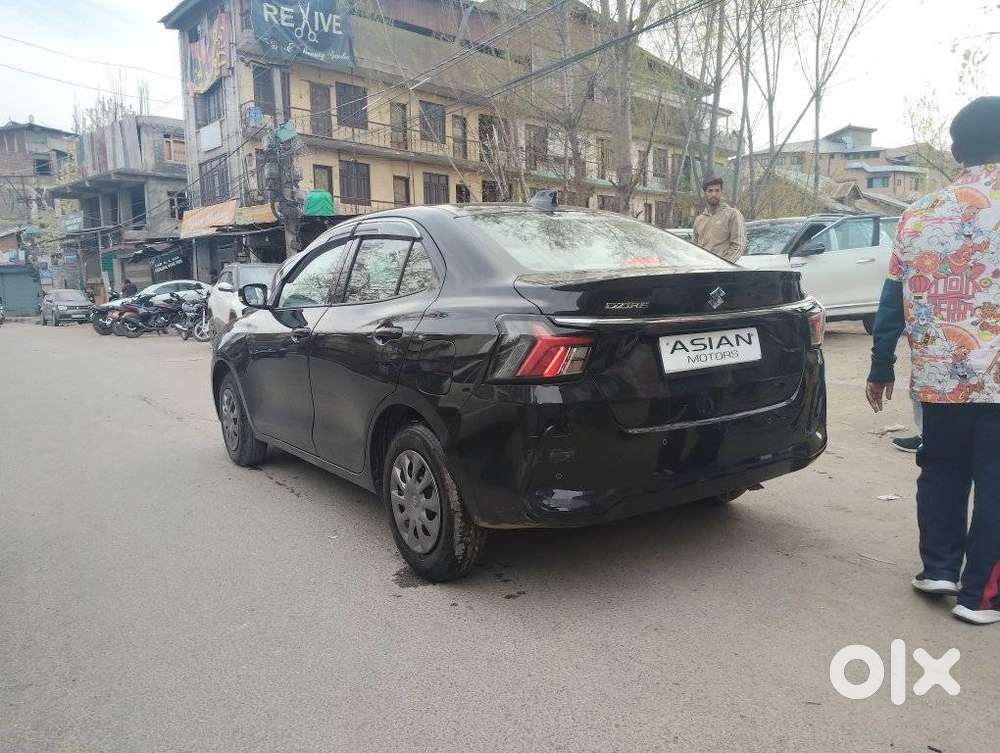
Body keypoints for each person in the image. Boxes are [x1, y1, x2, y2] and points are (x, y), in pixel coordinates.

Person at [866, 96, 1000, 626]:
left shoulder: (918, 213)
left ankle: (939, 569)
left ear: (955, 150)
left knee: (941, 468)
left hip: (940, 375)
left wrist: (881, 366)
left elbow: (890, 298)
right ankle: (980, 597)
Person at [692, 175, 747, 262]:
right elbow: (694, 248)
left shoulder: (733, 214)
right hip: (701, 269)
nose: (714, 194)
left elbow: (738, 245)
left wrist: (723, 266)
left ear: (721, 192)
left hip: (722, 271)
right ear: (705, 193)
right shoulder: (699, 220)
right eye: (710, 191)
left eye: (717, 190)